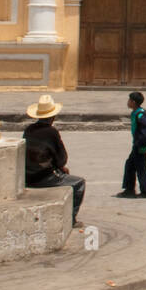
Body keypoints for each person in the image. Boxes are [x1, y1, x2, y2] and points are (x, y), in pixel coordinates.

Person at [23, 95, 86, 227]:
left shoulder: (29, 130)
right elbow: (62, 159)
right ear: (52, 117)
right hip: (43, 177)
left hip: (27, 175)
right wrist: (61, 167)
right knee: (79, 183)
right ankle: (71, 219)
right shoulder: (51, 132)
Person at [116, 91, 146, 199]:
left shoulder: (140, 114)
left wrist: (140, 144)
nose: (127, 102)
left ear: (133, 102)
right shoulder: (135, 112)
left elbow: (145, 130)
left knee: (141, 168)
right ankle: (129, 189)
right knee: (130, 165)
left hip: (140, 146)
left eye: (129, 100)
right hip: (137, 145)